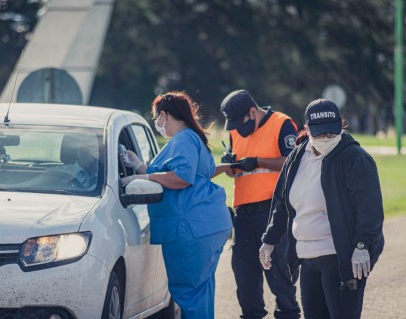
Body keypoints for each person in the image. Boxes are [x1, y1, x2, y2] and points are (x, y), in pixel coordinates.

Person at [259, 98, 385, 319]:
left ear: (341, 125)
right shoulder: (297, 158)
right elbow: (282, 201)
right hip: (308, 256)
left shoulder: (355, 158)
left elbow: (370, 209)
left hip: (340, 256)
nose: (326, 138)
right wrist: (270, 239)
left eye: (331, 132)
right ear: (306, 129)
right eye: (319, 133)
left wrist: (363, 245)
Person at [120, 91, 233, 319]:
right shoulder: (191, 138)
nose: (157, 124)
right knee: (201, 292)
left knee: (189, 295)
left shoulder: (183, 139)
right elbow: (199, 173)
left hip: (191, 228)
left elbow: (182, 177)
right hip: (206, 225)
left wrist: (145, 179)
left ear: (164, 115)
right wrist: (141, 167)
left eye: (156, 118)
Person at [216, 89, 300, 319]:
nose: (236, 129)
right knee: (245, 279)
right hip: (242, 213)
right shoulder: (236, 132)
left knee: (278, 275)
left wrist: (257, 162)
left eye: (239, 122)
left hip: (272, 211)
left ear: (253, 112)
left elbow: (292, 162)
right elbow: (238, 174)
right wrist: (231, 165)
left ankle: (289, 314)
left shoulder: (281, 124)